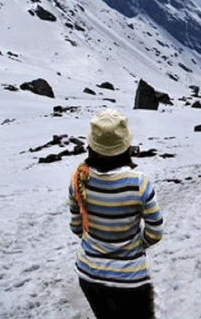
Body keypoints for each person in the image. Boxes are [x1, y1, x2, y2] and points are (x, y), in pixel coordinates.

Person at [68, 109, 164, 319]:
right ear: (126, 146)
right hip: (131, 280)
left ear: (91, 145)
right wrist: (134, 246)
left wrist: (97, 241)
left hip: (88, 274)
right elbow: (156, 231)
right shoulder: (139, 183)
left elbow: (76, 227)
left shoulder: (78, 180)